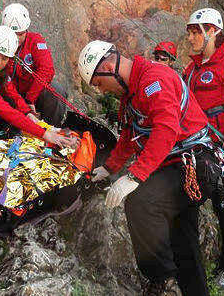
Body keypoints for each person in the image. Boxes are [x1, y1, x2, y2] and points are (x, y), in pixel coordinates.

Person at [80, 40, 212, 295]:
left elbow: (166, 128)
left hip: (191, 163)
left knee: (140, 203)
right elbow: (130, 135)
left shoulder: (154, 79)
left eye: (98, 83)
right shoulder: (132, 94)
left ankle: (163, 281)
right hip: (177, 165)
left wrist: (135, 175)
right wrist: (108, 168)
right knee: (184, 240)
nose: (102, 91)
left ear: (108, 67)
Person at [183, 8, 224, 291]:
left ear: (213, 32)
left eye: (196, 32)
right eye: (190, 32)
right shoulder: (193, 68)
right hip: (199, 147)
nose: (190, 37)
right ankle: (189, 261)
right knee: (188, 200)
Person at [0, 26, 78, 149]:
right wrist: (44, 134)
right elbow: (6, 110)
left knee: (13, 102)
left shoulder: (0, 73)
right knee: (7, 109)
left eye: (4, 58)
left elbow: (14, 95)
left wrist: (29, 114)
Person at [1, 3, 68, 126]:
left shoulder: (35, 41)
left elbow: (47, 69)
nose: (17, 39)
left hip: (31, 92)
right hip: (7, 91)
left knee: (56, 91)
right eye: (13, 34)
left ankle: (50, 129)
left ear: (26, 30)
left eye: (20, 34)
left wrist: (30, 98)